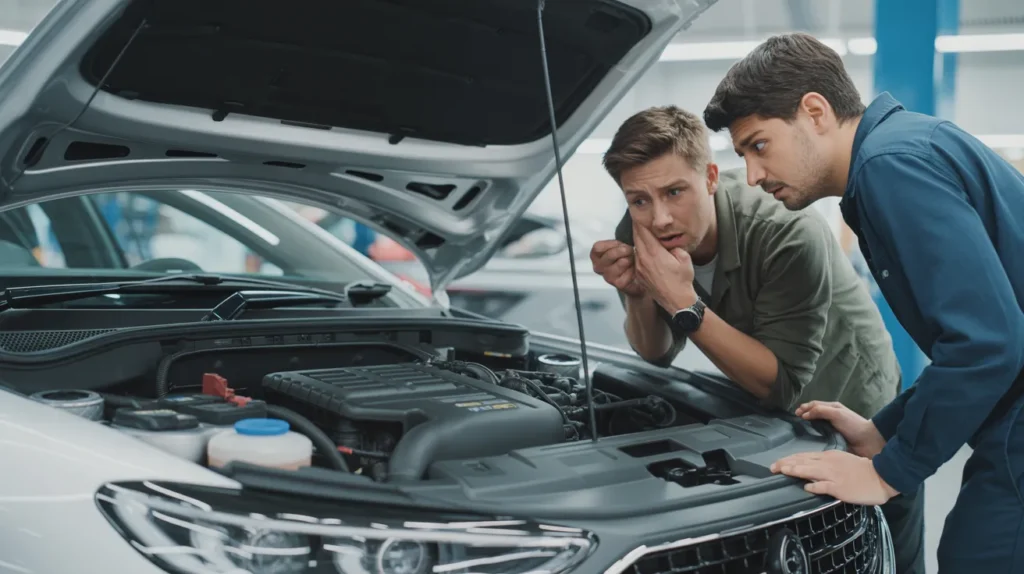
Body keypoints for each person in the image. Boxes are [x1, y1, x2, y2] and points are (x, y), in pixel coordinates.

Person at [702, 32, 1024, 573]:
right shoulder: (903, 148)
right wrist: (885, 429)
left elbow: (988, 344)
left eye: (759, 146)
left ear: (815, 112)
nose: (752, 176)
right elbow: (976, 336)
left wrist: (887, 473)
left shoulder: (889, 166)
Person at [590, 105, 925, 573]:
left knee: (880, 553)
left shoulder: (785, 230)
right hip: (772, 418)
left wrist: (685, 304)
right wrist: (639, 295)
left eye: (674, 192)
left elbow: (781, 382)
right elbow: (656, 353)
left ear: (710, 177)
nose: (660, 218)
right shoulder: (637, 230)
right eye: (639, 200)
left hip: (855, 404)